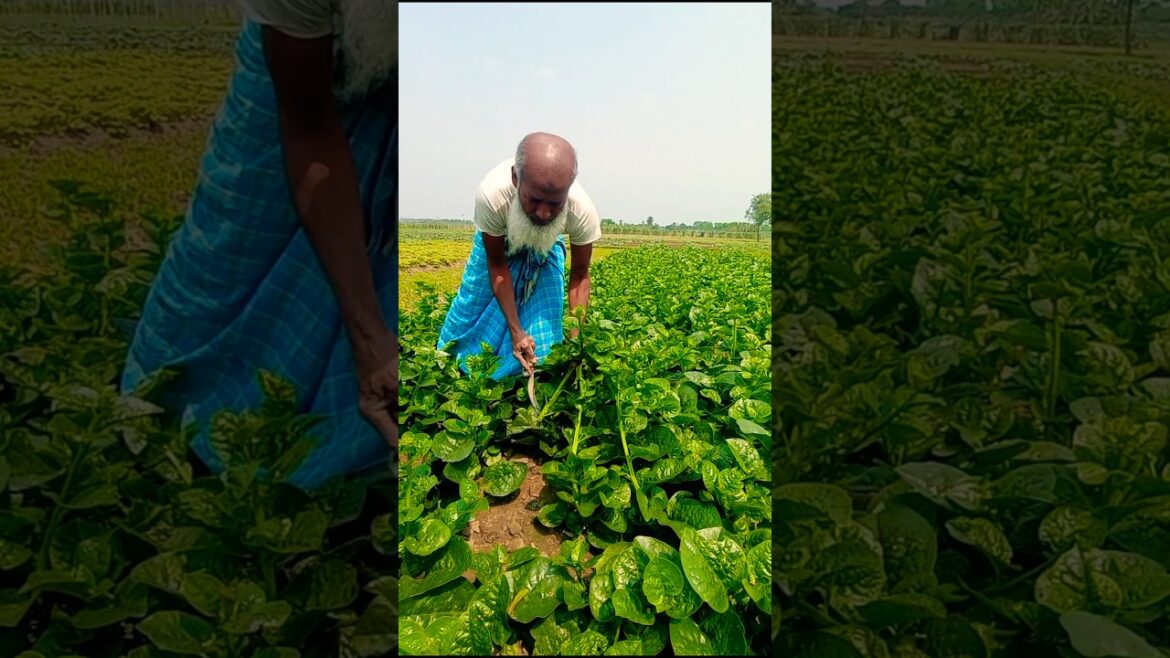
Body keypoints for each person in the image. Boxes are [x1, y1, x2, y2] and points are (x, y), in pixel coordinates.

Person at [119, 1, 398, 491]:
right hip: (308, 67)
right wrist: (368, 333)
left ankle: (353, 467)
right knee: (236, 248)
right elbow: (308, 126)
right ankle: (173, 419)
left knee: (393, 253)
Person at [437, 132, 601, 380]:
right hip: (499, 245)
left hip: (545, 248)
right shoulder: (492, 195)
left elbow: (579, 276)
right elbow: (496, 263)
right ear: (515, 178)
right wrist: (516, 331)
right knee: (474, 307)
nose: (544, 213)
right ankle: (460, 370)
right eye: (534, 200)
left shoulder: (582, 209)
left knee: (545, 325)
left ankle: (529, 377)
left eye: (555, 204)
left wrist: (576, 340)